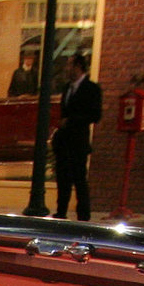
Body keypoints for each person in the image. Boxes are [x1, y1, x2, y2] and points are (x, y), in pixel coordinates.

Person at [51, 53, 102, 221]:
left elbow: (95, 115)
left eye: (70, 65)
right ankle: (61, 211)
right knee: (63, 179)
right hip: (64, 142)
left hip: (78, 142)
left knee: (79, 179)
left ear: (78, 67)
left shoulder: (91, 89)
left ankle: (83, 214)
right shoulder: (67, 88)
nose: (67, 69)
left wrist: (72, 120)